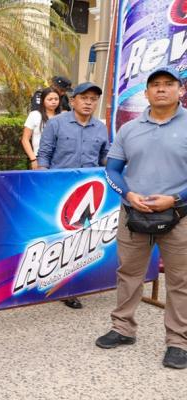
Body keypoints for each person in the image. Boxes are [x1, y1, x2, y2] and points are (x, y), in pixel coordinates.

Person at [98, 66, 187, 369]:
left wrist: (175, 198)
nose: (161, 89)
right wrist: (128, 194)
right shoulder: (129, 129)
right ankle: (122, 328)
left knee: (180, 280)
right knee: (128, 274)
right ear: (146, 93)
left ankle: (178, 342)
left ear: (180, 90)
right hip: (133, 214)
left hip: (178, 214)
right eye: (155, 85)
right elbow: (112, 169)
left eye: (168, 84)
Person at [36, 81, 109, 309]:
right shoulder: (56, 124)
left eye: (93, 99)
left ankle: (71, 288)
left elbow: (105, 158)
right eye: (84, 98)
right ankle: (48, 280)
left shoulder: (100, 128)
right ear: (73, 100)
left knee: (82, 239)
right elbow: (44, 155)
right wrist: (43, 183)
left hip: (90, 193)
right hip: (59, 192)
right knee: (58, 237)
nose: (88, 102)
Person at [22, 87, 62, 169]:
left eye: (56, 99)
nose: (53, 102)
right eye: (50, 99)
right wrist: (33, 159)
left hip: (60, 159)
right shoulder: (34, 115)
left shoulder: (63, 116)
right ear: (43, 100)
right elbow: (25, 139)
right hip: (40, 158)